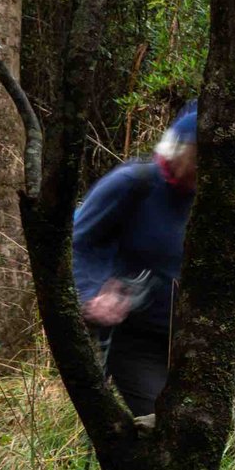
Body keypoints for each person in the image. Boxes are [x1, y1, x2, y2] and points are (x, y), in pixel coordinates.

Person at [71, 105, 198, 418]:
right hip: (135, 339)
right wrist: (94, 293)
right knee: (163, 426)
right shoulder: (133, 183)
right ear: (178, 148)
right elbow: (79, 242)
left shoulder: (213, 200)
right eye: (198, 155)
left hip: (192, 340)